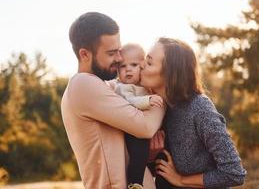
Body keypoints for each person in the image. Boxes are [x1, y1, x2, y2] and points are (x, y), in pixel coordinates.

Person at [61, 12, 165, 189]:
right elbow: (145, 127)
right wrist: (163, 94)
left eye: (118, 50)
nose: (119, 58)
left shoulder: (104, 86)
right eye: (111, 53)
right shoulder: (83, 84)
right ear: (85, 54)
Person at [140, 37, 247, 189]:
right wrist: (151, 156)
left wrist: (181, 180)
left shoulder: (199, 109)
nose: (141, 65)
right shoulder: (154, 107)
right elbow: (155, 171)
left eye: (149, 62)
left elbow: (234, 173)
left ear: (170, 74)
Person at [106, 43, 163, 188]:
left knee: (150, 158)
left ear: (142, 67)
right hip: (133, 132)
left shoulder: (144, 86)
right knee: (139, 154)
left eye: (134, 65)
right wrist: (148, 100)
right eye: (123, 66)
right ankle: (135, 183)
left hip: (146, 131)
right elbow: (129, 101)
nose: (128, 69)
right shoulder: (123, 87)